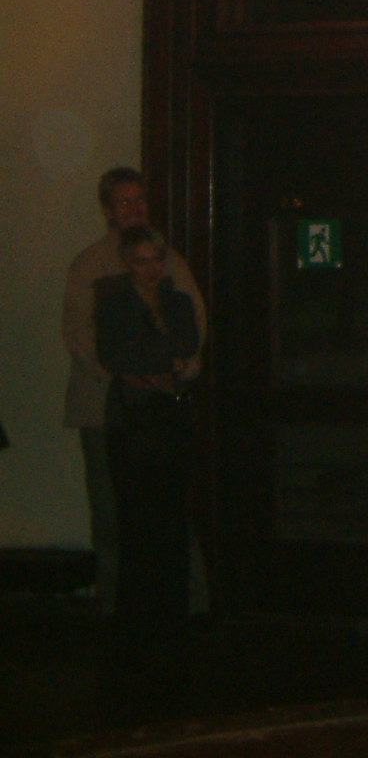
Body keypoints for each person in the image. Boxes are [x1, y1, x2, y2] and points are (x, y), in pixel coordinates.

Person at [62, 167, 206, 612]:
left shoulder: (169, 260)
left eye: (140, 200)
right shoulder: (89, 264)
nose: (134, 209)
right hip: (103, 408)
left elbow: (195, 323)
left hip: (160, 407)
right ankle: (114, 606)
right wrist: (121, 376)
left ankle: (191, 603)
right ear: (107, 210)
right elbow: (79, 335)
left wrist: (181, 370)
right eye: (124, 202)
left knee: (173, 508)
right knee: (110, 512)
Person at [94, 225, 202, 637]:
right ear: (127, 263)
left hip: (169, 416)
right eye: (142, 261)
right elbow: (115, 355)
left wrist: (157, 358)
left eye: (156, 259)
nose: (151, 268)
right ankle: (137, 617)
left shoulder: (177, 300)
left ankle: (173, 613)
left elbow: (187, 344)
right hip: (132, 419)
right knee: (136, 517)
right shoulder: (114, 303)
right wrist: (164, 358)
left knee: (172, 516)